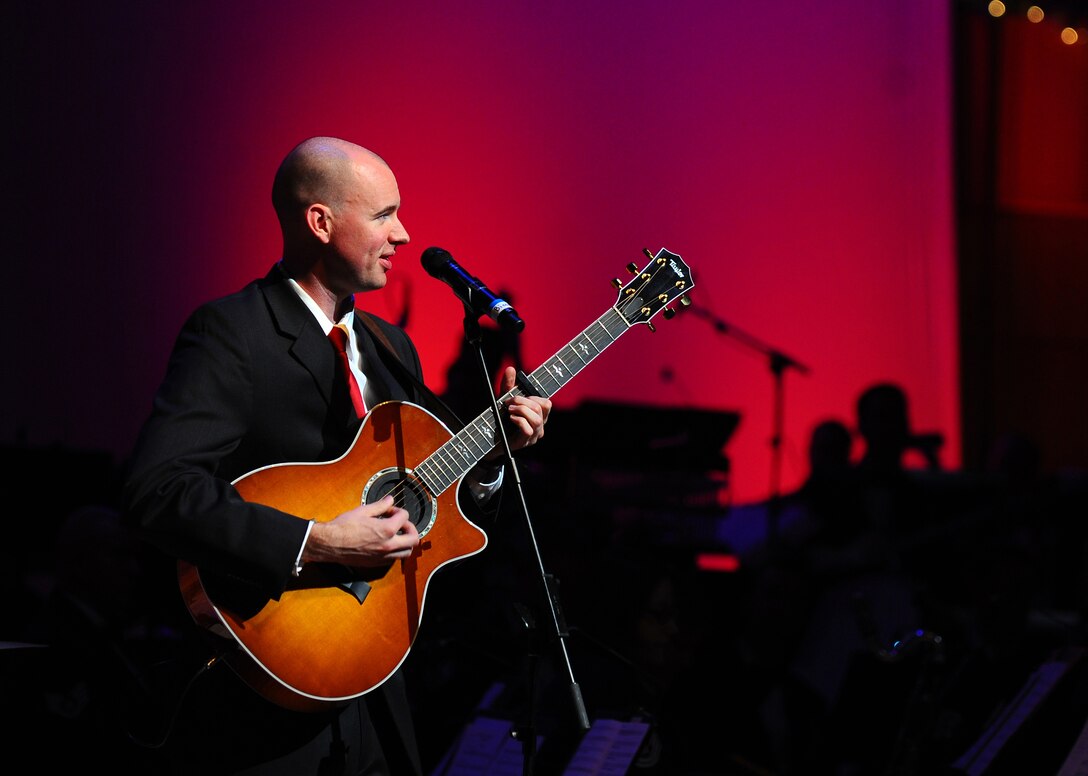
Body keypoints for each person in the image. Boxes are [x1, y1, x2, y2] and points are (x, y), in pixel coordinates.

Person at [120, 136, 552, 775]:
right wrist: (316, 541)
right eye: (383, 215)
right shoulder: (233, 333)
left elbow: (430, 490)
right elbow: (156, 490)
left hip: (379, 681)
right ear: (320, 223)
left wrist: (499, 450)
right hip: (269, 695)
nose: (404, 235)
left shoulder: (391, 348)